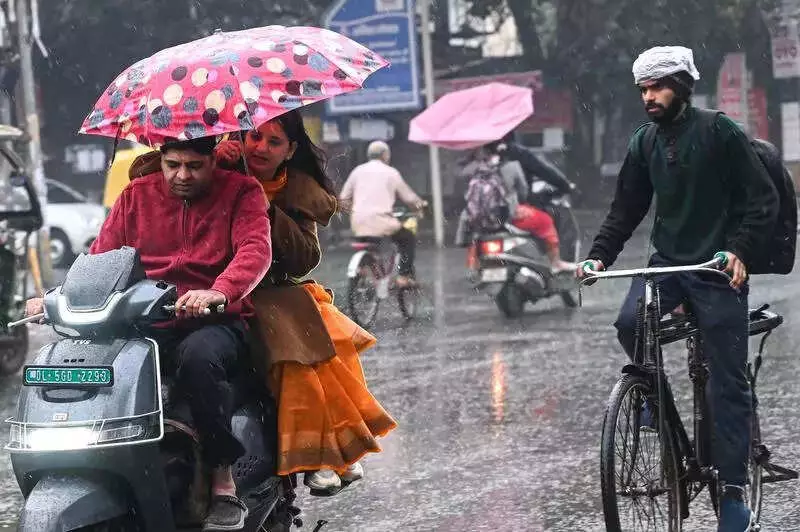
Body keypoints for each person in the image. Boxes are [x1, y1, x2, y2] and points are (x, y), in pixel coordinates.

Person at [577, 46, 778, 532]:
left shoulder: (719, 131)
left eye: (658, 87)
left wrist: (740, 251)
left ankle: (731, 492)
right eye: (643, 89)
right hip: (667, 265)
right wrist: (599, 255)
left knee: (727, 383)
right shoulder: (643, 141)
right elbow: (626, 209)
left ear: (682, 87)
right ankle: (651, 399)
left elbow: (761, 199)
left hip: (715, 266)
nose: (649, 97)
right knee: (629, 324)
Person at [26, 136, 271, 531]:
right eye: (172, 164)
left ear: (213, 163)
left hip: (212, 322)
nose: (181, 175)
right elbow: (101, 256)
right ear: (160, 160)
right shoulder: (136, 195)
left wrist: (218, 291)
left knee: (198, 360)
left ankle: (222, 478)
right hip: (143, 321)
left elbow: (255, 251)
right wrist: (58, 295)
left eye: (194, 166)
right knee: (95, 359)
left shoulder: (242, 192)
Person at [214, 111, 397, 495]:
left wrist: (262, 206)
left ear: (290, 150)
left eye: (274, 141)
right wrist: (215, 160)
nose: (260, 147)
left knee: (316, 352)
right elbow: (154, 172)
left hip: (274, 292)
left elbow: (303, 258)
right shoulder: (213, 167)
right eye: (254, 136)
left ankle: (321, 454)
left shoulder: (296, 190)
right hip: (211, 289)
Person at [456, 146, 574, 272]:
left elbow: (464, 194)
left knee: (476, 235)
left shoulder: (468, 170)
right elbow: (523, 192)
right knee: (545, 221)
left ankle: (475, 266)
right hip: (505, 217)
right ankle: (555, 263)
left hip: (474, 219)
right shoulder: (512, 166)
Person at [340, 141, 427, 287]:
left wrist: (357, 210)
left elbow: (343, 198)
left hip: (358, 222)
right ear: (385, 155)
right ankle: (403, 277)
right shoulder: (391, 172)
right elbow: (409, 198)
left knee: (371, 242)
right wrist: (421, 206)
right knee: (407, 239)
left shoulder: (357, 171)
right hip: (381, 221)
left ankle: (364, 269)